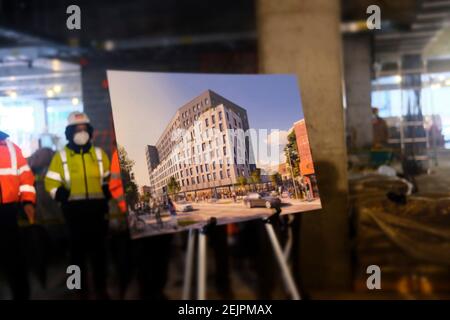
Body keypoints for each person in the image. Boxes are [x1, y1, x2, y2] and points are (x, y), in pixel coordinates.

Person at [44, 112, 111, 299]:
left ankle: (101, 288)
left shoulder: (99, 154)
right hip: (73, 213)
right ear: (69, 132)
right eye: (77, 129)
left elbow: (108, 178)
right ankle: (77, 290)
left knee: (99, 254)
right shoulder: (61, 157)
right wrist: (59, 193)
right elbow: (50, 182)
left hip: (98, 212)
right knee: (76, 254)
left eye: (84, 129)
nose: (81, 132)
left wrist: (107, 190)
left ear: (89, 131)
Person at [0, 130, 36, 299]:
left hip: (9, 212)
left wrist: (28, 201)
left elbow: (26, 178)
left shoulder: (12, 149)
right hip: (8, 212)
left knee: (15, 261)